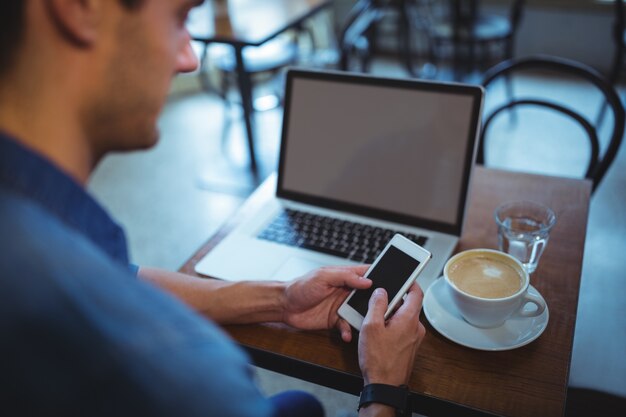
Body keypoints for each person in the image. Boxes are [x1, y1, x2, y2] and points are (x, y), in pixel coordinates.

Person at [0, 1, 426, 416]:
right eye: (179, 17)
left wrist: (282, 300)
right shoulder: (181, 374)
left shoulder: (44, 224)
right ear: (79, 8)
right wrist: (384, 390)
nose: (189, 59)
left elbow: (123, 275)